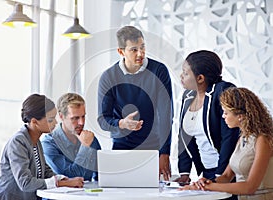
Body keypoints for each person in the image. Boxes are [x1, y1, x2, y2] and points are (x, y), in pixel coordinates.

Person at [97, 25, 173, 181]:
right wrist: (122, 123)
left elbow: (166, 115)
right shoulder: (109, 77)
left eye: (142, 47)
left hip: (154, 148)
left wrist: (165, 152)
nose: (141, 53)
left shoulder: (159, 71)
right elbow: (103, 120)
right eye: (133, 50)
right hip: (121, 148)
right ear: (121, 51)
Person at [182, 87, 273, 199]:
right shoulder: (243, 138)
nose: (223, 116)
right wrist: (206, 182)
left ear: (240, 116)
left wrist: (210, 187)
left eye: (226, 112)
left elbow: (250, 187)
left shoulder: (263, 140)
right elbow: (226, 176)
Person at [0, 94, 84, 200]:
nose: (56, 122)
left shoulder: (36, 140)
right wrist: (60, 183)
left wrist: (64, 180)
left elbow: (45, 171)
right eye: (50, 120)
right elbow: (25, 183)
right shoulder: (18, 142)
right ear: (34, 122)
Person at [175, 50, 240, 184]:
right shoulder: (188, 96)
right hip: (206, 171)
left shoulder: (223, 91)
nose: (181, 76)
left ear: (200, 78)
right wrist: (184, 172)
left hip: (228, 171)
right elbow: (184, 137)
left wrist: (220, 175)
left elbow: (229, 137)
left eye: (186, 73)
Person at [41, 93, 101, 181]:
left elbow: (101, 175)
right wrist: (85, 146)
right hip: (61, 194)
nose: (81, 122)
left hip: (87, 193)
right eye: (75, 118)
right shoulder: (49, 143)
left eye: (83, 116)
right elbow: (70, 177)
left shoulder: (90, 139)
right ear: (61, 116)